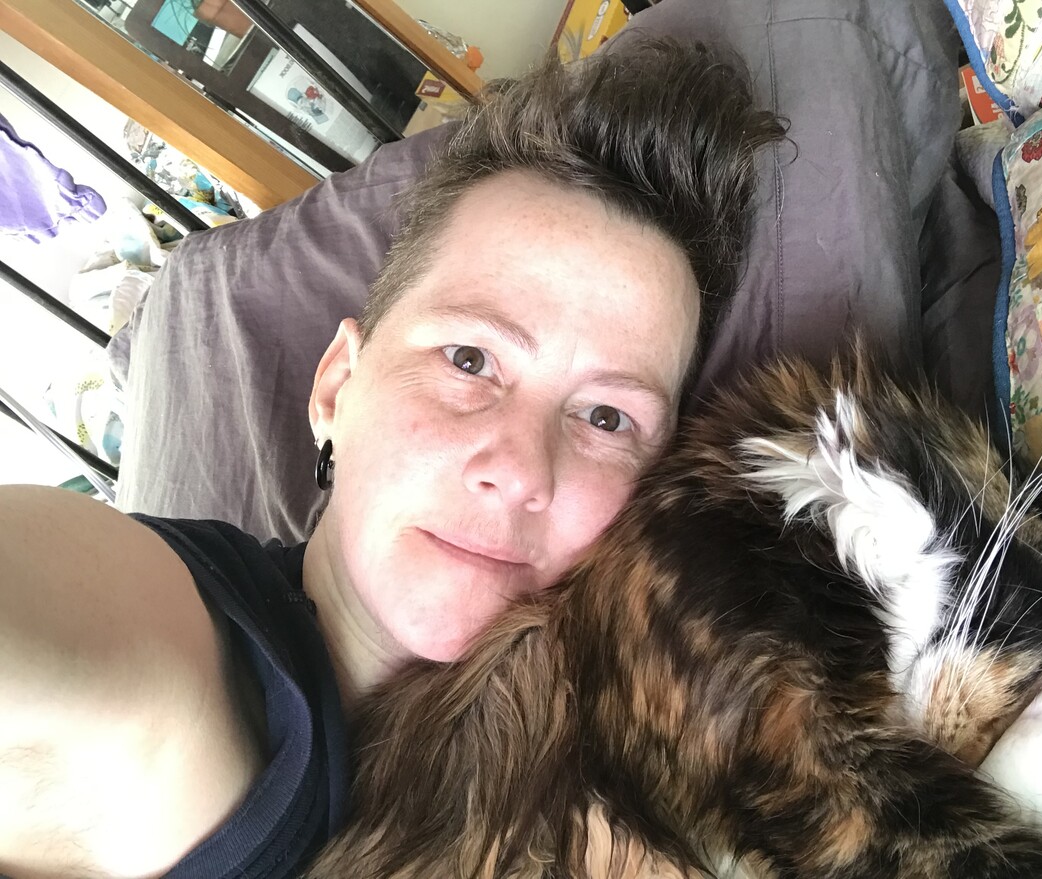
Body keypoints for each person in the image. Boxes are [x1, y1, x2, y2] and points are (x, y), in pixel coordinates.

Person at [0, 40, 783, 878]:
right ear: (337, 386)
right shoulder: (192, 671)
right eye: (470, 360)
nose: (521, 469)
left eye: (605, 415)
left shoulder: (688, 741)